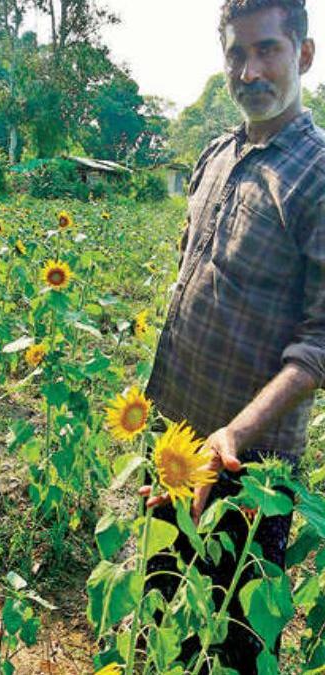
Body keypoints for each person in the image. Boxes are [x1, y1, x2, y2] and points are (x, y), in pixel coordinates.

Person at [140, 0, 322, 671]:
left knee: (239, 640)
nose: (250, 70)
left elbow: (320, 340)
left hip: (254, 468)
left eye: (268, 50)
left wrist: (234, 436)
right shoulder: (216, 154)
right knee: (161, 610)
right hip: (177, 440)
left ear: (303, 55)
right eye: (235, 53)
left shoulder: (320, 176)